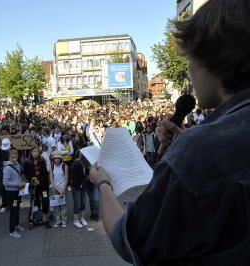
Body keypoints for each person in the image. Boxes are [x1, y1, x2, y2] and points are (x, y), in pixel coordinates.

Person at [90, 0, 250, 265]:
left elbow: (131, 240)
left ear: (211, 57)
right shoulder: (201, 143)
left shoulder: (200, 149)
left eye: (190, 58)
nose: (189, 70)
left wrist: (104, 184)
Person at [23, 145, 51, 228]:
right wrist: (32, 181)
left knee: (45, 200)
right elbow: (26, 174)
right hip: (33, 185)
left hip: (43, 184)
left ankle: (45, 218)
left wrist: (40, 181)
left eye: (36, 152)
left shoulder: (42, 160)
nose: (35, 153)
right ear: (31, 153)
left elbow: (45, 173)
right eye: (33, 152)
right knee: (35, 201)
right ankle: (35, 217)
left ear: (39, 152)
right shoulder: (27, 162)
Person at [3, 149, 26, 239]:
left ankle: (16, 225)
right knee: (13, 211)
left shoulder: (18, 164)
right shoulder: (7, 168)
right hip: (11, 193)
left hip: (18, 191)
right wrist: (17, 184)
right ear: (9, 157)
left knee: (16, 210)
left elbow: (19, 176)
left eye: (16, 157)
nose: (14, 159)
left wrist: (21, 183)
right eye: (12, 157)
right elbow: (5, 182)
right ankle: (12, 231)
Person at [49, 150, 68, 228]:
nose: (57, 159)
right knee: (56, 205)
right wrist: (57, 188)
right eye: (55, 158)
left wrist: (62, 189)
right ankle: (58, 220)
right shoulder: (51, 166)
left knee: (63, 205)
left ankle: (64, 220)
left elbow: (66, 179)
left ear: (61, 158)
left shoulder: (64, 166)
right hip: (54, 187)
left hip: (63, 187)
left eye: (58, 158)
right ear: (53, 159)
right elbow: (51, 179)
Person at [71, 152, 88, 228]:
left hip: (83, 187)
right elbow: (74, 178)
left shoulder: (86, 165)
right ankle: (75, 220)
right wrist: (79, 186)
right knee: (77, 203)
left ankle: (82, 218)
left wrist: (83, 184)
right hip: (76, 187)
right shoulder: (76, 165)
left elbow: (86, 175)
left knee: (83, 202)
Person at [0, 138, 12, 214]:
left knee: (14, 188)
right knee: (4, 188)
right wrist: (2, 163)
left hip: (13, 172)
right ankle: (4, 205)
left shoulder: (13, 150)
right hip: (3, 173)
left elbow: (18, 160)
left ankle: (17, 202)